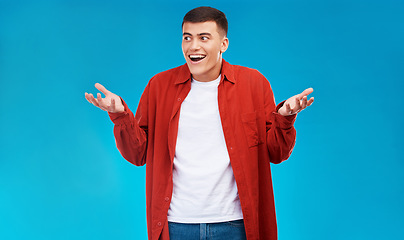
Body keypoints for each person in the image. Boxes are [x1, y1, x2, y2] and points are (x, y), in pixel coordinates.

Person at [85, 6, 313, 240]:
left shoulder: (254, 84)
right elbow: (137, 154)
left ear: (223, 44)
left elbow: (276, 153)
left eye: (204, 38)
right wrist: (121, 115)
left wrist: (285, 118)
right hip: (177, 225)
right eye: (187, 38)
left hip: (235, 224)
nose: (193, 47)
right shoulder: (159, 86)